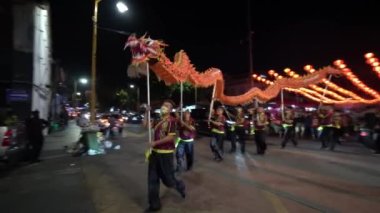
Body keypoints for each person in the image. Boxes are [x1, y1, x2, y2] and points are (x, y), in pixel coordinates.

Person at [143, 100, 186, 212]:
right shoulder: (158, 120)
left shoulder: (171, 121)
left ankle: (179, 185)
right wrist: (147, 113)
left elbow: (170, 138)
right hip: (155, 154)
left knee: (168, 180)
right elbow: (145, 126)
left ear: (171, 109)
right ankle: (154, 205)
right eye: (164, 105)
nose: (164, 107)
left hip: (166, 155)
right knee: (152, 179)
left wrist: (155, 143)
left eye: (167, 106)